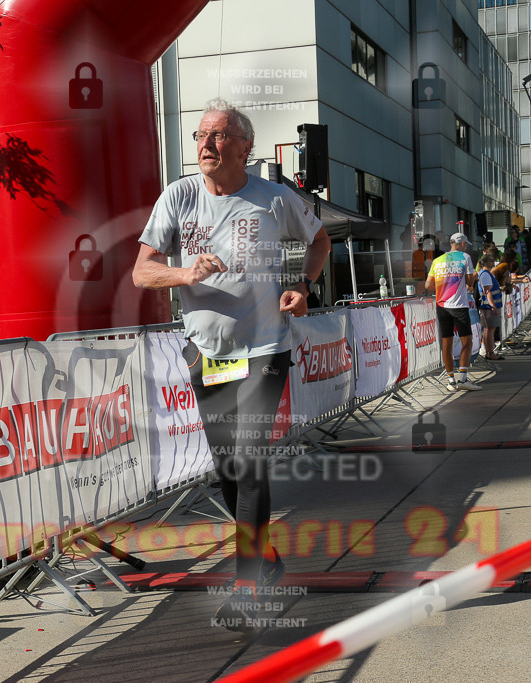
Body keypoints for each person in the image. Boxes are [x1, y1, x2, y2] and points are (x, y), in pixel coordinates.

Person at [132, 98, 330, 630]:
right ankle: (263, 558)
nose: (206, 145)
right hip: (210, 355)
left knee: (248, 458)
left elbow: (317, 242)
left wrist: (301, 286)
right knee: (227, 470)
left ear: (245, 147)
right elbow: (141, 272)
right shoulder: (178, 197)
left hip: (265, 348)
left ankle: (246, 584)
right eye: (200, 135)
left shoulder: (274, 198)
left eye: (219, 136)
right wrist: (183, 275)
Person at [425, 232, 481, 391]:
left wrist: (446, 282)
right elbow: (470, 283)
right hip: (458, 306)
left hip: (442, 306)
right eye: (466, 244)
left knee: (447, 344)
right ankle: (462, 379)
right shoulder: (465, 257)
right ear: (463, 244)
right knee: (467, 342)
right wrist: (474, 277)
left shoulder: (437, 260)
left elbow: (429, 285)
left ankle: (451, 381)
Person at [477, 253, 503, 361]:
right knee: (489, 330)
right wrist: (493, 305)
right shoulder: (485, 274)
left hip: (488, 306)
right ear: (487, 263)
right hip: (488, 307)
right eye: (492, 261)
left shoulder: (486, 273)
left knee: (489, 330)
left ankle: (490, 352)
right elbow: (487, 291)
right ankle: (490, 352)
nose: (494, 262)